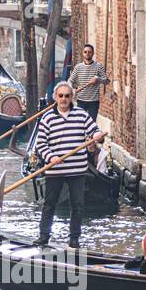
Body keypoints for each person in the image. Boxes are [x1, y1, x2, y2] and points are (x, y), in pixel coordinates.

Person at [33, 80, 106, 249]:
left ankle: (74, 239)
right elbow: (41, 144)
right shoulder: (47, 118)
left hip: (77, 169)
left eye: (67, 96)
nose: (64, 99)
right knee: (49, 204)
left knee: (77, 206)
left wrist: (97, 136)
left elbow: (93, 130)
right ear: (55, 98)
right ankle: (44, 236)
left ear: (72, 97)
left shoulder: (81, 114)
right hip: (55, 170)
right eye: (61, 96)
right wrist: (51, 157)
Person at [68, 43, 108, 121]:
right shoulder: (78, 67)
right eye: (85, 52)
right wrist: (73, 90)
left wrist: (98, 79)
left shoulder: (98, 66)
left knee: (92, 124)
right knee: (80, 123)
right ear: (83, 53)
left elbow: (106, 81)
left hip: (94, 102)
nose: (87, 54)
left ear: (93, 53)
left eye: (89, 52)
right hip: (81, 101)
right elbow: (70, 81)